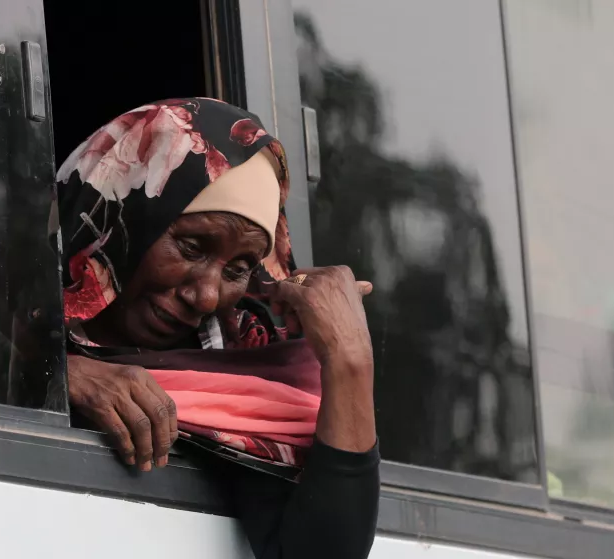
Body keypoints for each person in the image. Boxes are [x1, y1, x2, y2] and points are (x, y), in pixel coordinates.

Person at [56, 98, 379, 559]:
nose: (207, 296)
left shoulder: (240, 388)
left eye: (239, 269)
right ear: (121, 214)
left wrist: (350, 362)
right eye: (191, 247)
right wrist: (62, 374)